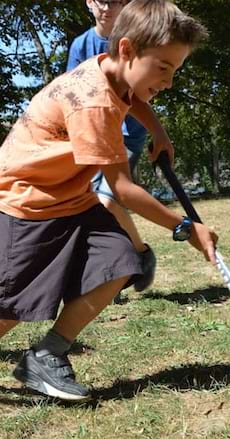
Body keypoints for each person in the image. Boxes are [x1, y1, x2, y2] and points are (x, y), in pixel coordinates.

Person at [0, 0, 215, 408]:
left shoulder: (111, 70)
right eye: (163, 68)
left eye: (174, 70)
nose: (169, 82)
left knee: (122, 261)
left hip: (70, 197)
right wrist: (184, 227)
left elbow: (130, 96)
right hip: (25, 203)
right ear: (126, 49)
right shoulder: (93, 102)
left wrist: (156, 129)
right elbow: (121, 187)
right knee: (11, 304)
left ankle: (47, 354)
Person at [67, 0, 156, 294]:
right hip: (93, 136)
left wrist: (158, 131)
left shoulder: (132, 41)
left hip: (127, 135)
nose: (107, 7)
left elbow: (139, 93)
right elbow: (74, 93)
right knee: (91, 205)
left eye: (116, 1)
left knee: (107, 200)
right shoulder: (81, 45)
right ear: (89, 3)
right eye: (101, 0)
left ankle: (137, 256)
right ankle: (115, 269)